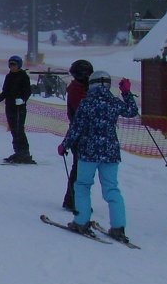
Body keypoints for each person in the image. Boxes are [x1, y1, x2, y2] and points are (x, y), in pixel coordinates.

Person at [57, 70, 138, 243]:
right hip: (110, 152)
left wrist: (65, 145)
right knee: (111, 188)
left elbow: (76, 127)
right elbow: (132, 111)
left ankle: (81, 222)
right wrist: (126, 92)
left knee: (83, 185)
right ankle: (118, 227)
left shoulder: (87, 103)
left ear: (91, 84)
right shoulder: (114, 102)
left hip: (88, 152)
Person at [61, 59, 93, 214]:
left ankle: (73, 199)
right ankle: (73, 200)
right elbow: (81, 110)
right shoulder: (76, 89)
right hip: (79, 134)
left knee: (82, 168)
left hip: (85, 134)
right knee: (80, 168)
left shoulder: (84, 87)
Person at [0, 55, 32, 163]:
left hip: (19, 108)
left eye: (14, 64)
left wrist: (23, 99)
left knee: (19, 130)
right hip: (10, 106)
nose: (12, 67)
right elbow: (5, 91)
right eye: (10, 64)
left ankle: (24, 153)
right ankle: (17, 152)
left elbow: (28, 91)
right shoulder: (9, 76)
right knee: (13, 130)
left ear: (19, 65)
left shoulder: (23, 76)